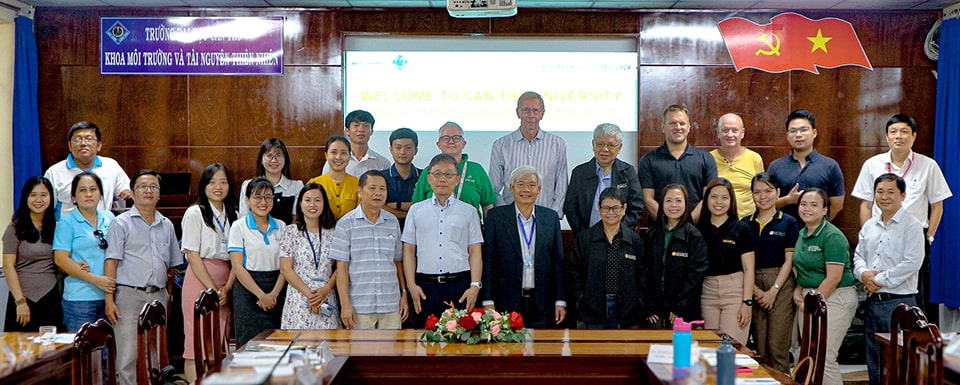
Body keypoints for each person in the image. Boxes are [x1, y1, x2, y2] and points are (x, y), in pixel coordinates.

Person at [851, 114, 951, 321]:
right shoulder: (872, 164)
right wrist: (869, 234)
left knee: (915, 298)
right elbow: (865, 205)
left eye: (904, 132)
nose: (899, 136)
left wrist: (929, 237)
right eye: (893, 132)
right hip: (880, 237)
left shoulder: (928, 165)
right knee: (874, 291)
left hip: (914, 239)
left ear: (914, 136)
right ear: (887, 137)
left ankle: (911, 348)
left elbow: (937, 205)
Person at [104, 170, 183, 385]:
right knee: (128, 356)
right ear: (133, 192)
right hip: (129, 296)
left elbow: (172, 266)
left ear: (159, 194)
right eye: (142, 187)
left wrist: (167, 293)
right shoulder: (120, 224)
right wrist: (109, 300)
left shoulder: (166, 225)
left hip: (158, 296)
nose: (148, 191)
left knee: (156, 355)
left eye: (153, 187)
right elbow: (111, 262)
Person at [853, 173, 925, 385]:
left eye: (891, 192)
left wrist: (878, 280)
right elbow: (858, 257)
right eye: (880, 192)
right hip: (873, 303)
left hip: (900, 304)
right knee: (875, 362)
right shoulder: (869, 226)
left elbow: (912, 262)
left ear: (903, 195)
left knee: (899, 364)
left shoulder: (912, 226)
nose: (885, 197)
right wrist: (864, 274)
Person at [403, 154, 484, 327]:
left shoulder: (469, 211)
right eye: (437, 174)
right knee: (425, 344)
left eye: (448, 174)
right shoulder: (416, 211)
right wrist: (411, 285)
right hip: (425, 287)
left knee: (461, 344)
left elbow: (475, 251)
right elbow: (409, 250)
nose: (442, 179)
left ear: (457, 179)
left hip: (460, 285)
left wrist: (475, 285)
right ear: (429, 178)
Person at [482, 166, 567, 328]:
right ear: (511, 187)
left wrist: (560, 299)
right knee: (508, 352)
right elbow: (489, 260)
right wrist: (488, 299)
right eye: (520, 184)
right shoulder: (496, 218)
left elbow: (558, 263)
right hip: (505, 301)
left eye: (532, 185)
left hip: (543, 302)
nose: (526, 190)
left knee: (542, 350)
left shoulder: (551, 218)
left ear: (539, 189)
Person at [792, 188, 857, 385]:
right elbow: (802, 269)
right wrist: (798, 289)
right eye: (803, 204)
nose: (807, 209)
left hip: (835, 298)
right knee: (807, 355)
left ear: (824, 209)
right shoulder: (802, 233)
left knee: (824, 356)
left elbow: (834, 278)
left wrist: (810, 302)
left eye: (814, 205)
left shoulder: (832, 236)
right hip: (809, 298)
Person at [180, 163, 237, 383]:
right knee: (196, 343)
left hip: (226, 282)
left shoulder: (235, 215)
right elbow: (193, 256)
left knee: (218, 340)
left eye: (223, 182)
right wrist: (212, 289)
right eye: (212, 182)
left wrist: (227, 288)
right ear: (203, 186)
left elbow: (237, 259)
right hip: (200, 281)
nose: (218, 187)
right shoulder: (195, 213)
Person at [332, 170, 407, 329]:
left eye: (382, 189)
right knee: (361, 353)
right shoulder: (346, 224)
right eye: (372, 188)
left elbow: (398, 262)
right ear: (360, 191)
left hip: (391, 304)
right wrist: (345, 304)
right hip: (359, 306)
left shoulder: (392, 222)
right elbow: (342, 268)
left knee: (392, 352)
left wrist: (404, 293)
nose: (378, 193)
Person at [743, 172, 799, 373]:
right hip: (752, 283)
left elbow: (789, 260)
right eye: (757, 192)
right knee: (759, 347)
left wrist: (774, 290)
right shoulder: (745, 223)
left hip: (781, 284)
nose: (762, 196)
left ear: (777, 192)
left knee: (778, 346)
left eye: (768, 191)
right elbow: (744, 264)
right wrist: (756, 291)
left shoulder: (788, 222)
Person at [571, 188, 645, 329]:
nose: (611, 213)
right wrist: (581, 298)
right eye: (606, 208)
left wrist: (638, 300)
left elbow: (642, 275)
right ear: (599, 208)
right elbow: (575, 272)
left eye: (616, 208)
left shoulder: (634, 240)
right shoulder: (585, 239)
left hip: (626, 310)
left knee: (625, 350)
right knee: (596, 349)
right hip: (593, 308)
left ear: (624, 208)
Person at [53, 172, 116, 332]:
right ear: (73, 197)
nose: (88, 194)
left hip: (109, 296)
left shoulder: (109, 217)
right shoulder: (67, 222)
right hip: (79, 298)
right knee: (83, 352)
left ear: (101, 194)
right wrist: (95, 280)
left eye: (93, 189)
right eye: (82, 190)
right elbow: (61, 259)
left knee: (107, 352)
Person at [229, 177, 287, 347]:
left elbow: (286, 267)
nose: (263, 202)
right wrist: (262, 296)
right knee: (249, 347)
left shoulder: (282, 226)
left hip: (277, 290)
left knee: (277, 345)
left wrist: (273, 295)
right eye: (257, 197)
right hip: (248, 293)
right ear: (247, 200)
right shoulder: (239, 227)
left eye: (268, 197)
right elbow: (238, 267)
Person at [489, 91, 568, 216]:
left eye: (535, 111)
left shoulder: (557, 144)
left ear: (542, 114)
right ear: (518, 112)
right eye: (526, 110)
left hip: (545, 217)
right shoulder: (501, 145)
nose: (531, 115)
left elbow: (561, 187)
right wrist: (505, 213)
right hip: (510, 219)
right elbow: (493, 188)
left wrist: (553, 216)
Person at [696, 178, 755, 344]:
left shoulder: (741, 228)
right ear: (706, 200)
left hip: (734, 292)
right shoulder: (699, 230)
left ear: (731, 201)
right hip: (707, 293)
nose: (719, 202)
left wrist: (747, 302)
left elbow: (749, 269)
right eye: (714, 197)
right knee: (710, 349)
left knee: (732, 349)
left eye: (724, 197)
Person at [638, 104, 717, 222]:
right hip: (660, 232)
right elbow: (647, 198)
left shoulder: (706, 159)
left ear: (689, 127)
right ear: (663, 127)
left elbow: (709, 197)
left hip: (697, 231)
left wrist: (688, 224)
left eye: (682, 123)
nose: (678, 127)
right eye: (672, 123)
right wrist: (669, 223)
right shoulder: (649, 160)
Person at [644, 184, 709, 328]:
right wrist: (649, 305)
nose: (673, 205)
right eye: (668, 200)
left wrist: (679, 307)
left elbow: (695, 276)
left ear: (686, 204)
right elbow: (644, 272)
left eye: (678, 200)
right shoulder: (651, 235)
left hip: (683, 311)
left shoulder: (694, 236)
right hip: (654, 311)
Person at [3, 177, 62, 332]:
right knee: (19, 350)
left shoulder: (58, 228)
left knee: (50, 350)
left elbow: (61, 261)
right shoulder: (15, 228)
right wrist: (20, 301)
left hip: (50, 295)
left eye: (43, 195)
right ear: (26, 198)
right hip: (22, 298)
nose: (38, 200)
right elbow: (8, 266)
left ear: (51, 198)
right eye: (33, 195)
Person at [564, 123, 643, 236]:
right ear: (593, 145)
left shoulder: (627, 172)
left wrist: (619, 233)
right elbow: (571, 208)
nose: (604, 149)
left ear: (619, 148)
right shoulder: (580, 172)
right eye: (600, 144)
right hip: (587, 238)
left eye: (611, 145)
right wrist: (584, 235)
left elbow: (636, 207)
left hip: (620, 239)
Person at [279, 184, 341, 330]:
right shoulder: (290, 232)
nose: (312, 205)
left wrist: (325, 290)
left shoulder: (334, 232)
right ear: (300, 204)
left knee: (328, 346)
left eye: (317, 200)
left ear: (324, 203)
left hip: (325, 296)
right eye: (307, 200)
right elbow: (286, 269)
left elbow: (341, 267)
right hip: (300, 297)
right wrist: (310, 295)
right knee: (300, 349)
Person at [767, 110, 845, 221]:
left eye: (804, 130)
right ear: (787, 135)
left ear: (814, 133)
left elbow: (837, 204)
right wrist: (788, 200)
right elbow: (766, 203)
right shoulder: (776, 167)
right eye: (793, 131)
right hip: (784, 233)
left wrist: (817, 226)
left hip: (818, 235)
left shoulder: (830, 166)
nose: (798, 135)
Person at [44, 121, 131, 218]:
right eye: (77, 139)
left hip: (103, 228)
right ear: (70, 146)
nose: (83, 143)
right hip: (68, 229)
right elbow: (46, 208)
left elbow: (127, 192)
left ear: (99, 145)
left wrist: (128, 193)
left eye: (89, 139)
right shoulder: (54, 172)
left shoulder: (111, 166)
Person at [411, 122, 496, 222]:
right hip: (433, 231)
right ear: (438, 144)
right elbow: (417, 206)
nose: (451, 141)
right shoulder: (429, 171)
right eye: (446, 138)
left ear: (464, 143)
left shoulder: (477, 170)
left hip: (471, 232)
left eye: (456, 138)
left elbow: (488, 206)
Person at [710, 113, 764, 218]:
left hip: (748, 223)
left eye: (735, 130)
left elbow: (761, 193)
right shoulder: (709, 159)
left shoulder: (754, 158)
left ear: (742, 133)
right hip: (718, 223)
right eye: (725, 130)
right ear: (718, 133)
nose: (730, 135)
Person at [239, 138, 304, 224]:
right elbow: (243, 219)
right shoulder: (248, 185)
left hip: (285, 235)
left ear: (285, 159)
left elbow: (296, 221)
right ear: (261, 159)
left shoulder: (296, 187)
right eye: (269, 155)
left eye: (279, 155)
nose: (274, 160)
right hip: (253, 235)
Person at [322, 110, 392, 176]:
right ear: (347, 131)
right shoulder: (335, 161)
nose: (361, 129)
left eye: (366, 126)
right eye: (356, 125)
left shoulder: (383, 163)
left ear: (371, 131)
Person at [308, 136, 360, 219]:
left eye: (343, 153)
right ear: (326, 155)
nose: (338, 157)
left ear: (349, 156)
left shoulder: (358, 184)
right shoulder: (315, 183)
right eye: (334, 152)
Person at [381, 128, 421, 230]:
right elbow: (378, 206)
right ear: (391, 150)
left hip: (418, 232)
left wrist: (397, 205)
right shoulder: (380, 177)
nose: (402, 152)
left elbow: (427, 206)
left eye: (408, 148)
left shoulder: (424, 176)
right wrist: (407, 214)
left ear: (416, 150)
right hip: (386, 231)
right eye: (398, 147)